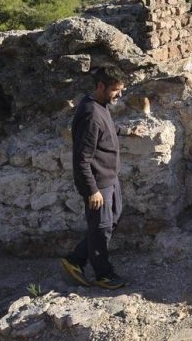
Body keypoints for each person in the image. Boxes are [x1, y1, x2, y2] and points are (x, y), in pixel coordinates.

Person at [60, 66, 128, 289]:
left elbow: (105, 130)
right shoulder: (90, 114)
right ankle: (103, 275)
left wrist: (124, 132)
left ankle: (75, 259)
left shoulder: (100, 106)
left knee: (111, 221)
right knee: (101, 228)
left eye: (121, 90)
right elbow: (82, 158)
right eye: (115, 90)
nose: (119, 95)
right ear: (100, 86)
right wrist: (92, 190)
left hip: (110, 178)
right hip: (99, 184)